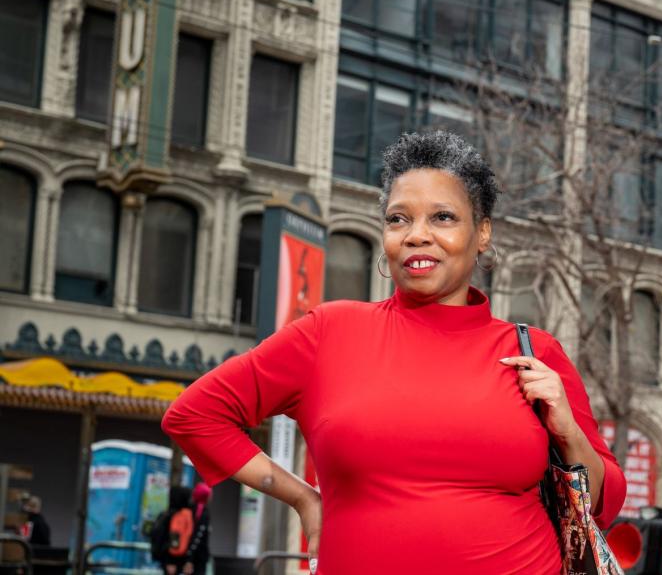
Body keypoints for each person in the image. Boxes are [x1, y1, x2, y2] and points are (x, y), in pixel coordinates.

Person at [162, 130, 626, 574]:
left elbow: (603, 503)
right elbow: (196, 415)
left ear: (482, 233)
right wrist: (304, 498)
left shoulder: (533, 351)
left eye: (442, 217)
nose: (415, 235)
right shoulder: (330, 331)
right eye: (398, 218)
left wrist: (567, 432)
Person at [151, 486, 206, 575]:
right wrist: (171, 561)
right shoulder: (180, 516)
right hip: (174, 560)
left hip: (168, 558)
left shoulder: (166, 514)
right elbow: (175, 539)